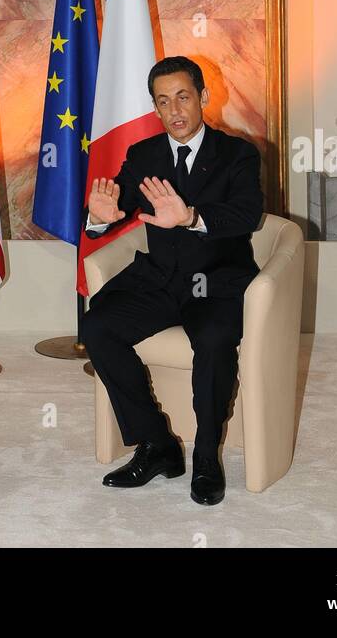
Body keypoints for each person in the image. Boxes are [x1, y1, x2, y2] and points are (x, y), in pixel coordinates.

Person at [82, 56, 263, 505]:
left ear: (203, 97)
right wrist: (99, 218)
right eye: (163, 102)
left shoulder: (237, 152)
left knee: (215, 339)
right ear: (155, 109)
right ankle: (156, 444)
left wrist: (192, 217)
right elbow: (116, 202)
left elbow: (247, 214)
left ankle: (206, 455)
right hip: (160, 279)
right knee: (97, 326)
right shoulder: (144, 154)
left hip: (216, 280)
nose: (175, 110)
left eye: (183, 96)